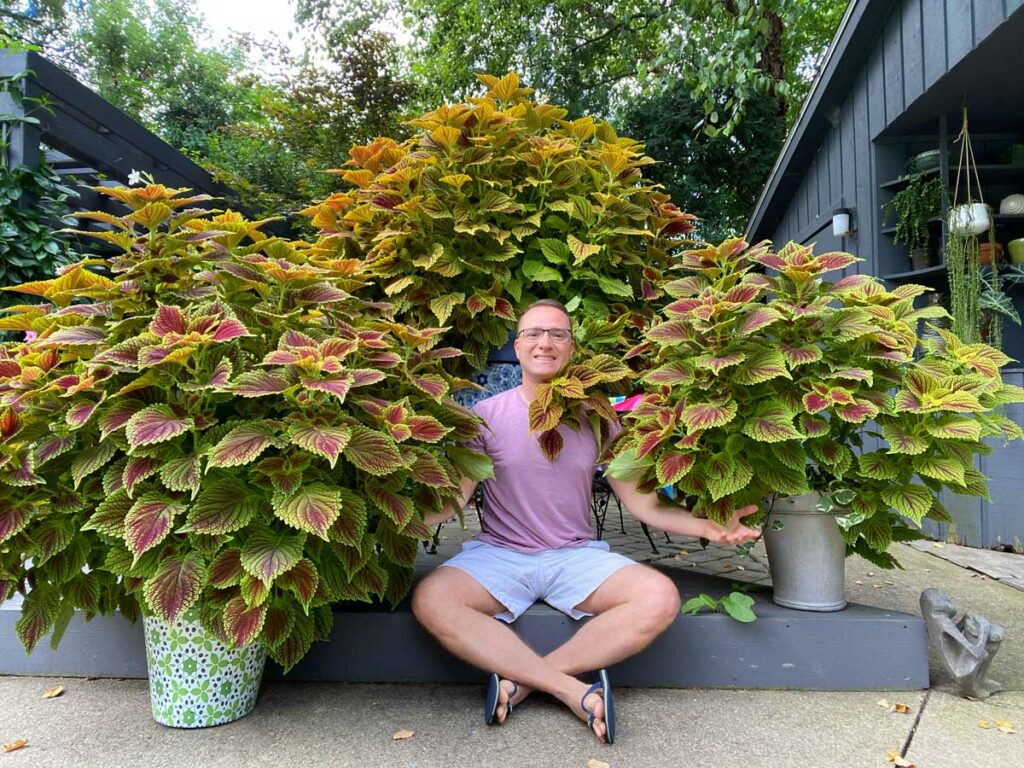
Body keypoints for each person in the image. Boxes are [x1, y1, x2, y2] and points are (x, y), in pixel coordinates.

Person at [411, 299, 760, 744]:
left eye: (558, 334)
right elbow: (451, 501)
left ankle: (525, 683)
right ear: (517, 347)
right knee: (432, 599)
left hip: (575, 555)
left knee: (658, 597)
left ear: (571, 349)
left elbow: (643, 505)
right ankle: (573, 691)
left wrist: (706, 526)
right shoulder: (484, 417)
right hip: (499, 554)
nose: (545, 342)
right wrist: (392, 519)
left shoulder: (598, 419)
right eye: (534, 333)